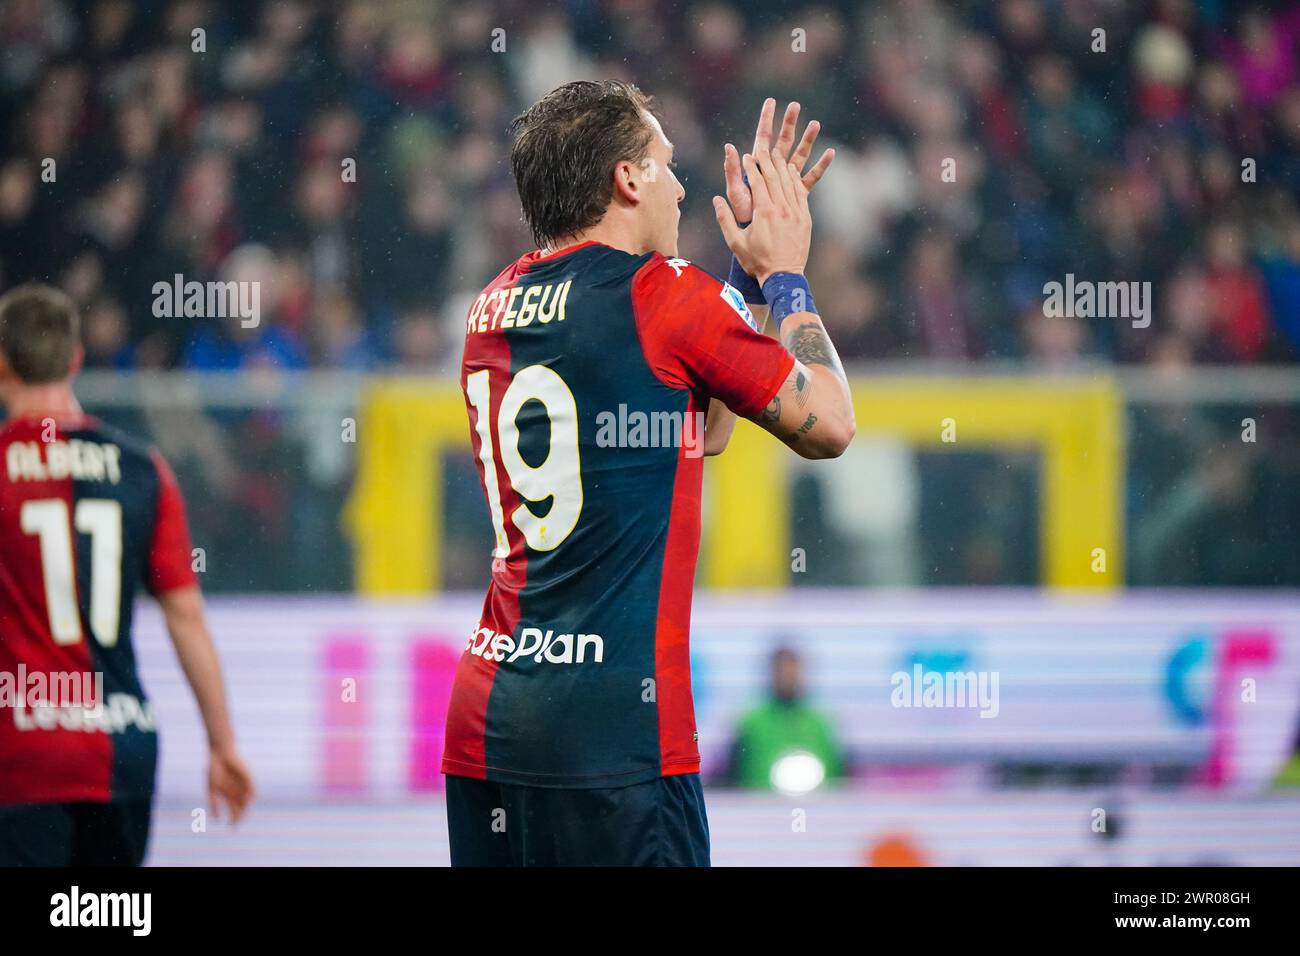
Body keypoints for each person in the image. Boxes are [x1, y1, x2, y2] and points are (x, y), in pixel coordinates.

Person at [442, 80, 855, 866]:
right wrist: (787, 279)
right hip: (617, 734)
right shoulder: (664, 298)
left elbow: (701, 429)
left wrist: (737, 277)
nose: (680, 186)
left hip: (491, 719)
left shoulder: (491, 305)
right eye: (666, 165)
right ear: (626, 180)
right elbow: (830, 423)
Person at [0, 283, 253, 866]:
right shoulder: (142, 470)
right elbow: (185, 616)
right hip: (122, 748)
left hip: (20, 753)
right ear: (75, 360)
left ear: (3, 362)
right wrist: (222, 744)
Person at [720, 646, 846, 791]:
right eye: (781, 671)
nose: (787, 677)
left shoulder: (820, 723)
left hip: (816, 806)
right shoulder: (751, 722)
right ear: (771, 674)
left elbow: (838, 771)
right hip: (760, 805)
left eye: (792, 671)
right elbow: (734, 772)